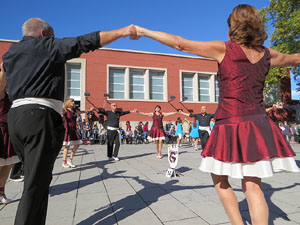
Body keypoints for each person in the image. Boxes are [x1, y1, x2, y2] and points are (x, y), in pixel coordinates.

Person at [132, 4, 299, 225]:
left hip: (230, 122)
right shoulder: (267, 54)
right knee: (253, 186)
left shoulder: (224, 49)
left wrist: (144, 31)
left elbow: (180, 43)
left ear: (233, 26)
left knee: (220, 180)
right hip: (257, 123)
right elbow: (296, 58)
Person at [3, 17, 136, 225]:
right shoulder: (46, 45)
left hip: (15, 118)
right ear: (43, 34)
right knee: (35, 184)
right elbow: (85, 41)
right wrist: (122, 31)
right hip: (39, 116)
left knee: (36, 179)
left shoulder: (10, 54)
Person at [0, 63, 19, 204]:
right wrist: (4, 67)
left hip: (8, 130)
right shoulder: (0, 91)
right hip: (0, 130)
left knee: (8, 164)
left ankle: (1, 192)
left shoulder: (8, 94)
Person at [62, 98, 88, 168]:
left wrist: (90, 110)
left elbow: (82, 112)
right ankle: (64, 162)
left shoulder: (74, 111)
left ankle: (70, 160)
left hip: (74, 129)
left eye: (73, 102)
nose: (73, 103)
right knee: (67, 146)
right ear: (68, 102)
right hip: (68, 129)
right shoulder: (65, 110)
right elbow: (60, 113)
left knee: (78, 143)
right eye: (71, 102)